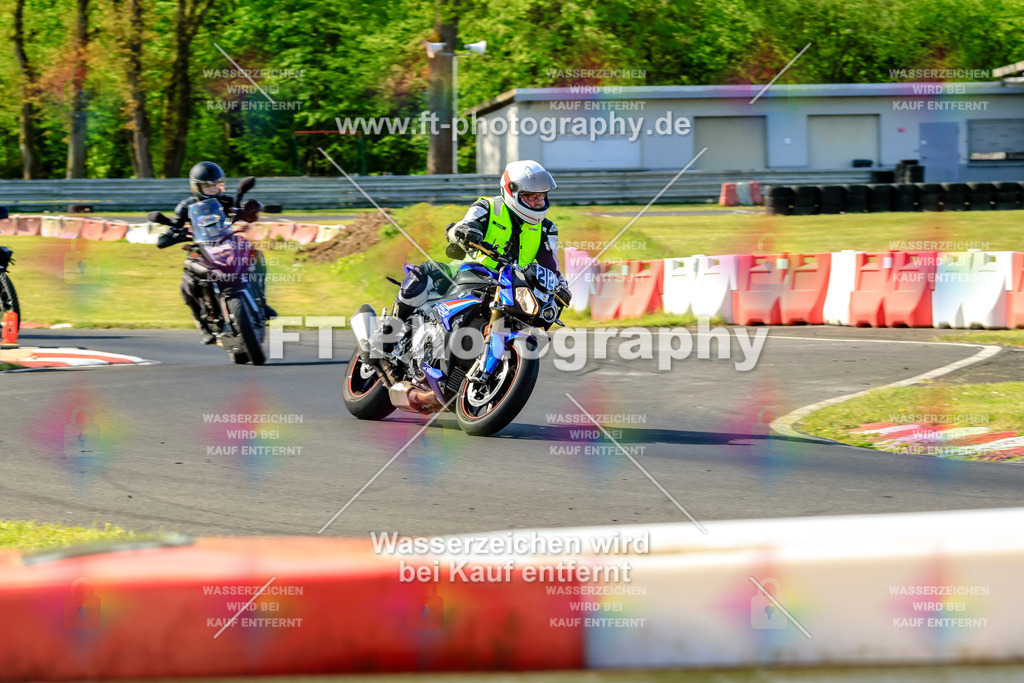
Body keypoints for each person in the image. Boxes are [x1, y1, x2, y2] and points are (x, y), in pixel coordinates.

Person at [395, 159, 572, 320]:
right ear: (513, 192)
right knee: (424, 272)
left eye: (541, 196)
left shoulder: (547, 229)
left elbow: (551, 269)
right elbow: (457, 229)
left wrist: (562, 288)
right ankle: (389, 333)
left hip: (512, 287)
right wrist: (463, 232)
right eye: (531, 197)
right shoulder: (487, 207)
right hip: (466, 272)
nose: (538, 202)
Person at [158, 161, 275, 344]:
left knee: (255, 255)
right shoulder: (186, 206)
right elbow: (176, 225)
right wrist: (170, 234)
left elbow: (240, 210)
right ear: (196, 186)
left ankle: (261, 300)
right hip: (202, 249)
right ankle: (203, 324)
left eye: (216, 184)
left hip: (228, 243)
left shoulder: (227, 200)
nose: (213, 189)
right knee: (187, 282)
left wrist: (251, 209)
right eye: (207, 185)